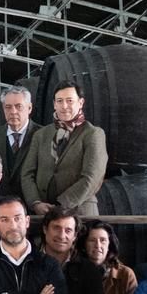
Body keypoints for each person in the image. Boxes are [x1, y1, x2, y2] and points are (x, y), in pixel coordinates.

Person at [19, 80, 108, 218]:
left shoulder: (93, 134)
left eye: (69, 100)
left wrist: (61, 206)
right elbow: (27, 173)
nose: (64, 106)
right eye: (59, 101)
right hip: (43, 214)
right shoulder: (41, 134)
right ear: (54, 104)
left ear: (81, 103)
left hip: (79, 213)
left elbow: (92, 178)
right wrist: (35, 203)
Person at [0, 86, 40, 187]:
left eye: (18, 106)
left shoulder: (43, 135)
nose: (13, 111)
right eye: (8, 107)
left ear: (29, 108)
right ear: (3, 108)